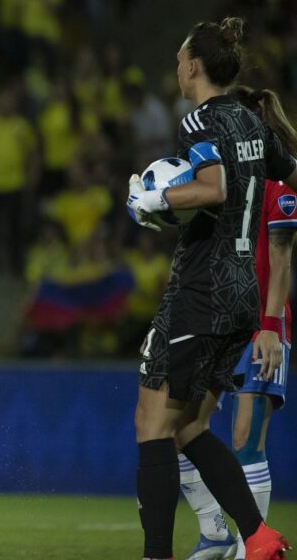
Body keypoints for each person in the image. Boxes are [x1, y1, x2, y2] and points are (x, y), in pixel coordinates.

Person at [126, 18, 292, 560]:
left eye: (179, 60)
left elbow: (213, 187)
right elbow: (284, 174)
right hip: (244, 293)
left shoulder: (198, 119)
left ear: (193, 66)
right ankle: (259, 535)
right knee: (190, 426)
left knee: (152, 425)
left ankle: (156, 555)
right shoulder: (251, 119)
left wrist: (155, 201)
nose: (177, 69)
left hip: (202, 290)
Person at [176, 86, 297, 560]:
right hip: (217, 320)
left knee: (246, 439)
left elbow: (282, 261)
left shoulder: (281, 192)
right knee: (178, 429)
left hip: (263, 326)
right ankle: (215, 532)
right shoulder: (220, 187)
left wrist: (270, 326)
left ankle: (254, 547)